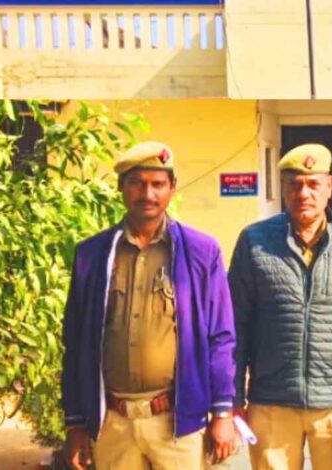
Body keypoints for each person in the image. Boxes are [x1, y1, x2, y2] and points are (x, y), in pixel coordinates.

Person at [61, 141, 237, 470]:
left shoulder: (201, 252)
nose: (148, 194)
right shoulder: (92, 255)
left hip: (178, 423)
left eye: (158, 184)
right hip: (113, 424)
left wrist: (222, 413)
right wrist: (75, 424)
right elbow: (75, 343)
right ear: (121, 187)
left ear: (172, 188)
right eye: (137, 183)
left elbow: (220, 337)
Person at [228, 143, 332, 470]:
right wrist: (232, 399)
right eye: (295, 184)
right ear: (283, 189)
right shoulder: (254, 241)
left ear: (329, 187)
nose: (304, 193)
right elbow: (237, 325)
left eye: (314, 184)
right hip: (271, 401)